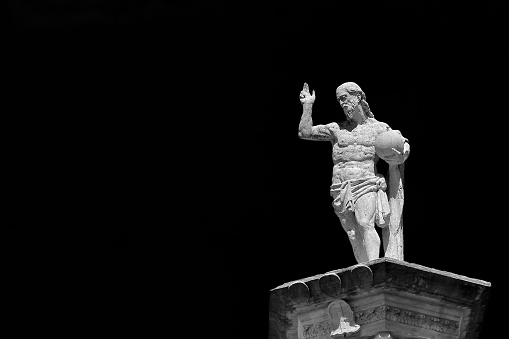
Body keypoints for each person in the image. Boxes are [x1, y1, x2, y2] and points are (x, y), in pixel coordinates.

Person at [298, 82, 409, 263]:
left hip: (365, 183)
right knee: (352, 234)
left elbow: (400, 144)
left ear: (358, 97)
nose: (342, 103)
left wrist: (403, 151)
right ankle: (365, 269)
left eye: (345, 98)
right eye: (339, 100)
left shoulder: (379, 128)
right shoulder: (336, 129)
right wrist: (307, 105)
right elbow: (305, 132)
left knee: (365, 223)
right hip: (340, 186)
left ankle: (374, 266)